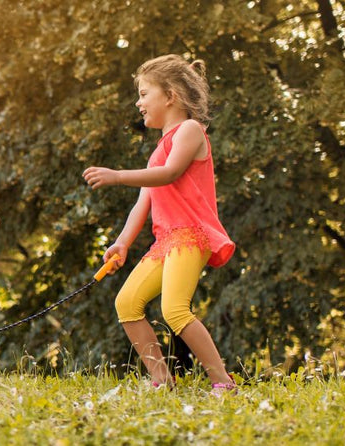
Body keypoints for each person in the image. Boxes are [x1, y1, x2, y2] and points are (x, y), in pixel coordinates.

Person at [82, 55, 237, 394]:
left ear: (170, 96)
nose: (138, 102)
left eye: (143, 93)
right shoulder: (158, 148)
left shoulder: (191, 131)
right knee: (127, 303)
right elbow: (145, 200)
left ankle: (223, 382)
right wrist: (122, 242)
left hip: (190, 234)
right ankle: (162, 380)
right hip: (166, 239)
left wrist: (118, 175)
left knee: (175, 309)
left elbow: (170, 174)